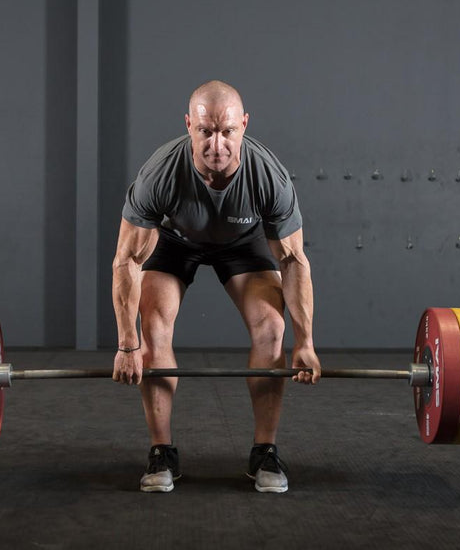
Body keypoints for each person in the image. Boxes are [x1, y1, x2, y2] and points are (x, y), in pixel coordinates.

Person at [111, 80, 321, 493]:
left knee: (272, 329)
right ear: (189, 125)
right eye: (206, 131)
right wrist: (126, 345)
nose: (217, 144)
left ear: (244, 125)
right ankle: (161, 452)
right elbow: (127, 259)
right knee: (152, 329)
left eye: (227, 131)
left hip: (241, 244)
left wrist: (306, 341)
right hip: (175, 244)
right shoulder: (160, 174)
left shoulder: (269, 177)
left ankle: (265, 451)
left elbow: (293, 261)